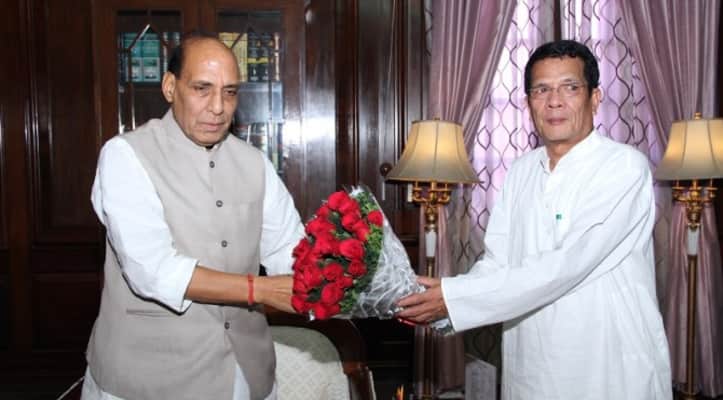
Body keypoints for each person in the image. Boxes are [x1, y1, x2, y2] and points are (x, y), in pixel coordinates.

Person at [397, 40, 672, 400]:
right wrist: (444, 300)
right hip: (531, 362)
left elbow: (569, 263)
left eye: (570, 87)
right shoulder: (521, 171)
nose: (554, 101)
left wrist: (455, 298)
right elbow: (497, 262)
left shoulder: (623, 167)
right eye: (541, 90)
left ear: (595, 98)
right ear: (528, 103)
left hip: (607, 363)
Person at [81, 32, 303, 400]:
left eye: (229, 92)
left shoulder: (255, 163)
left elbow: (288, 250)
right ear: (170, 87)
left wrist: (357, 280)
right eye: (202, 89)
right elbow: (153, 270)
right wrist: (260, 290)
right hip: (147, 380)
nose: (218, 107)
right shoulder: (125, 155)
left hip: (246, 373)